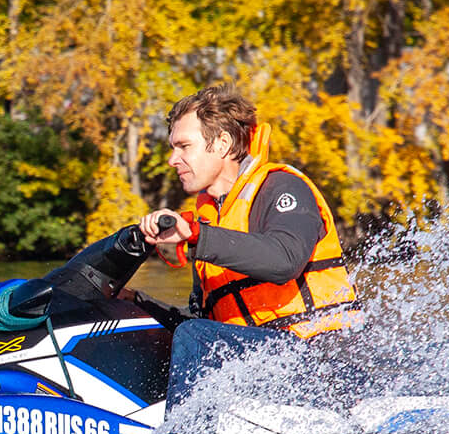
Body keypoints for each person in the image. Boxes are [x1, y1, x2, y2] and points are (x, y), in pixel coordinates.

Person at [140, 85, 359, 340]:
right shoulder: (209, 223)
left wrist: (197, 236)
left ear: (223, 143)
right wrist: (136, 303)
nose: (172, 160)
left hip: (325, 355)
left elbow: (284, 261)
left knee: (193, 335)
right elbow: (202, 325)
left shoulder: (283, 187)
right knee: (190, 333)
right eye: (172, 148)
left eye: (184, 146)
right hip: (259, 364)